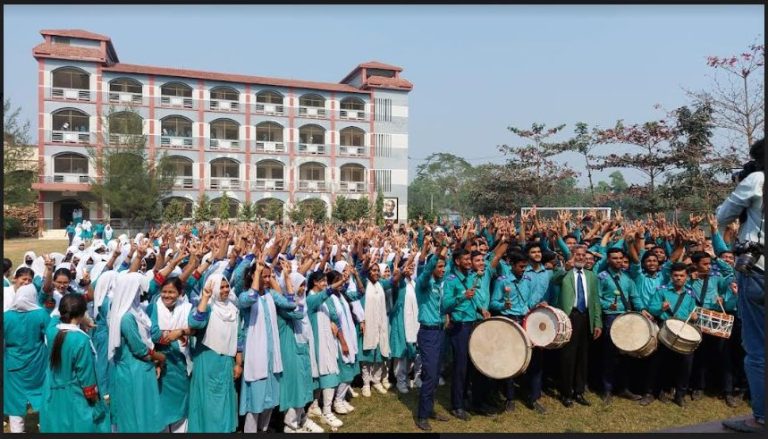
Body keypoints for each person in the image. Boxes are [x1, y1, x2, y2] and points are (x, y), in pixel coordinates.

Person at [718, 138, 764, 433]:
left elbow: (723, 216)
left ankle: (761, 417)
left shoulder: (758, 179)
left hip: (758, 271)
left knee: (758, 349)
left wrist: (746, 180)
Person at [39, 294, 110, 432]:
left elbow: (55, 317)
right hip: (75, 396)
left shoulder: (52, 330)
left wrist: (80, 320)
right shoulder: (81, 340)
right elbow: (87, 379)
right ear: (83, 313)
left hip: (52, 391)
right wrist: (96, 402)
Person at [108, 271, 166, 432]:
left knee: (142, 412)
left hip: (138, 369)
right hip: (134, 371)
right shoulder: (126, 317)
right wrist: (159, 357)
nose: (141, 293)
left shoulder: (134, 312)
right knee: (136, 414)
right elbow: (139, 349)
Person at [187, 273, 240, 433]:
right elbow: (194, 322)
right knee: (208, 403)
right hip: (207, 362)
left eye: (226, 286)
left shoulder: (233, 309)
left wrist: (238, 363)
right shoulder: (208, 308)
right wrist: (205, 297)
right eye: (221, 287)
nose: (225, 290)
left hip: (226, 363)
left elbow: (239, 338)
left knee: (224, 400)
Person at [550, 245, 602, 408]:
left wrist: (597, 322)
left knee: (583, 356)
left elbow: (595, 301)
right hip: (569, 316)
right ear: (571, 256)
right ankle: (566, 393)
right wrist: (565, 268)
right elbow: (554, 281)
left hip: (586, 317)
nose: (580, 258)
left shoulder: (591, 276)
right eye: (577, 255)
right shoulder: (564, 273)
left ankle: (579, 391)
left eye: (583, 255)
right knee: (568, 356)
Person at [647, 263, 700, 407]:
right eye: (676, 275)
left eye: (681, 276)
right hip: (665, 328)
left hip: (684, 330)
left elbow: (693, 311)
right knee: (658, 363)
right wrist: (660, 308)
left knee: (685, 364)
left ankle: (680, 395)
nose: (678, 278)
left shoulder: (690, 294)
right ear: (671, 276)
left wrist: (695, 316)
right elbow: (652, 309)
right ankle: (652, 393)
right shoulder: (661, 291)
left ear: (686, 277)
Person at [597, 248, 645, 403]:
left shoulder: (627, 278)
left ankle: (624, 388)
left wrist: (642, 310)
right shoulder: (602, 277)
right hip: (611, 317)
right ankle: (607, 390)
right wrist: (606, 304)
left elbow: (635, 296)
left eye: (620, 258)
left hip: (627, 317)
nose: (618, 261)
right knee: (609, 355)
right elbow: (596, 298)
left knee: (626, 354)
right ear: (608, 260)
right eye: (614, 258)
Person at [147, 276, 193, 433]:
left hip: (180, 362)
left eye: (171, 292)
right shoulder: (153, 307)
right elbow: (153, 334)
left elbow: (195, 328)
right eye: (164, 292)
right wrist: (174, 335)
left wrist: (180, 332)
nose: (167, 295)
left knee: (181, 404)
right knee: (161, 405)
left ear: (180, 293)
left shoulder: (187, 308)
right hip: (161, 362)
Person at [3, 284, 51, 433]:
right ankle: (45, 426)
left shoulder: (6, 316)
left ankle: (17, 430)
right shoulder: (41, 314)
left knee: (14, 400)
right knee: (43, 396)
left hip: (13, 365)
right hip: (38, 364)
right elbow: (50, 334)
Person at [414, 239, 450, 431]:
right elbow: (427, 270)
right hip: (428, 334)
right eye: (440, 266)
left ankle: (429, 409)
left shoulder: (440, 283)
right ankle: (421, 415)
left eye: (444, 266)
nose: (443, 269)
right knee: (429, 375)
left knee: (435, 375)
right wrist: (436, 252)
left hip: (439, 332)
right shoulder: (423, 283)